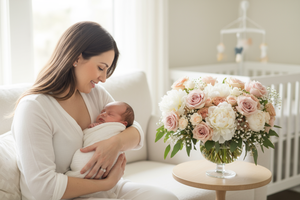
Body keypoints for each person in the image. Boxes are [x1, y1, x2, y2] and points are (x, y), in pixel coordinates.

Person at [12, 21, 178, 200]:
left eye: (107, 70)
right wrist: (106, 183)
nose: (104, 78)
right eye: (101, 68)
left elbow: (135, 129)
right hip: (66, 195)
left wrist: (116, 143)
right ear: (76, 58)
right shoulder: (34, 108)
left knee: (166, 197)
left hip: (107, 189)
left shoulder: (94, 94)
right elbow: (43, 189)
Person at [66, 101, 134, 180]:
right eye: (103, 111)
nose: (103, 114)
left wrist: (91, 130)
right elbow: (89, 136)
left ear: (123, 123)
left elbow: (136, 130)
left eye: (110, 114)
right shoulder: (100, 126)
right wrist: (93, 129)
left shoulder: (118, 128)